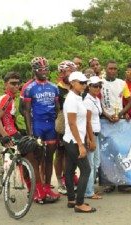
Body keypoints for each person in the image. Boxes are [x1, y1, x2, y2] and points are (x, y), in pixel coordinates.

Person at [0, 72, 52, 203]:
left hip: (13, 132)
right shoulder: (6, 98)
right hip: (9, 134)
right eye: (13, 83)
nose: (16, 86)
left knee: (35, 152)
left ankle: (33, 190)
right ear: (5, 85)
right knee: (31, 157)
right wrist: (5, 136)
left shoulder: (10, 98)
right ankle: (38, 192)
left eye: (18, 83)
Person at [23, 57, 61, 200]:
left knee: (49, 158)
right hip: (38, 126)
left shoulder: (54, 87)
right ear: (34, 71)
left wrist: (59, 129)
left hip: (51, 126)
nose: (43, 72)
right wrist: (30, 132)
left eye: (45, 69)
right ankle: (37, 189)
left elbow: (57, 110)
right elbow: (26, 111)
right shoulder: (29, 89)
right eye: (40, 70)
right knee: (37, 159)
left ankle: (47, 187)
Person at [63, 71, 96, 213]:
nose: (84, 85)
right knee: (86, 170)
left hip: (73, 139)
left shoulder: (77, 97)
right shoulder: (71, 99)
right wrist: (80, 144)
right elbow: (72, 123)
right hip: (73, 140)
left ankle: (72, 199)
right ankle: (80, 203)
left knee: (70, 169)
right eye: (81, 82)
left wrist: (85, 138)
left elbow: (80, 122)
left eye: (85, 83)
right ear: (72, 83)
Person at [100, 60, 131, 193]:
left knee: (120, 152)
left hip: (118, 121)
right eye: (110, 69)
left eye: (115, 69)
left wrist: (120, 114)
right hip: (104, 121)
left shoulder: (122, 83)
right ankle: (109, 182)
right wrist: (107, 115)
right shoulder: (100, 83)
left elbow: (129, 102)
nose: (113, 71)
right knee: (106, 153)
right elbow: (96, 102)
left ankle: (122, 183)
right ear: (106, 69)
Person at [55, 60, 77, 195]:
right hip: (61, 124)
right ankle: (59, 182)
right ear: (61, 73)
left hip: (73, 124)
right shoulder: (57, 89)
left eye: (71, 71)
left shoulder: (75, 87)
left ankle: (68, 178)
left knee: (70, 154)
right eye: (66, 72)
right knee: (60, 153)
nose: (69, 74)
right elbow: (55, 109)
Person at [83, 76, 103, 199]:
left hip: (96, 133)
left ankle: (90, 189)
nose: (97, 88)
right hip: (91, 135)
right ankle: (88, 191)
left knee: (96, 163)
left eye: (99, 86)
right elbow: (87, 121)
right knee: (90, 164)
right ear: (89, 87)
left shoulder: (96, 100)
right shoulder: (87, 101)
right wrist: (90, 139)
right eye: (95, 86)